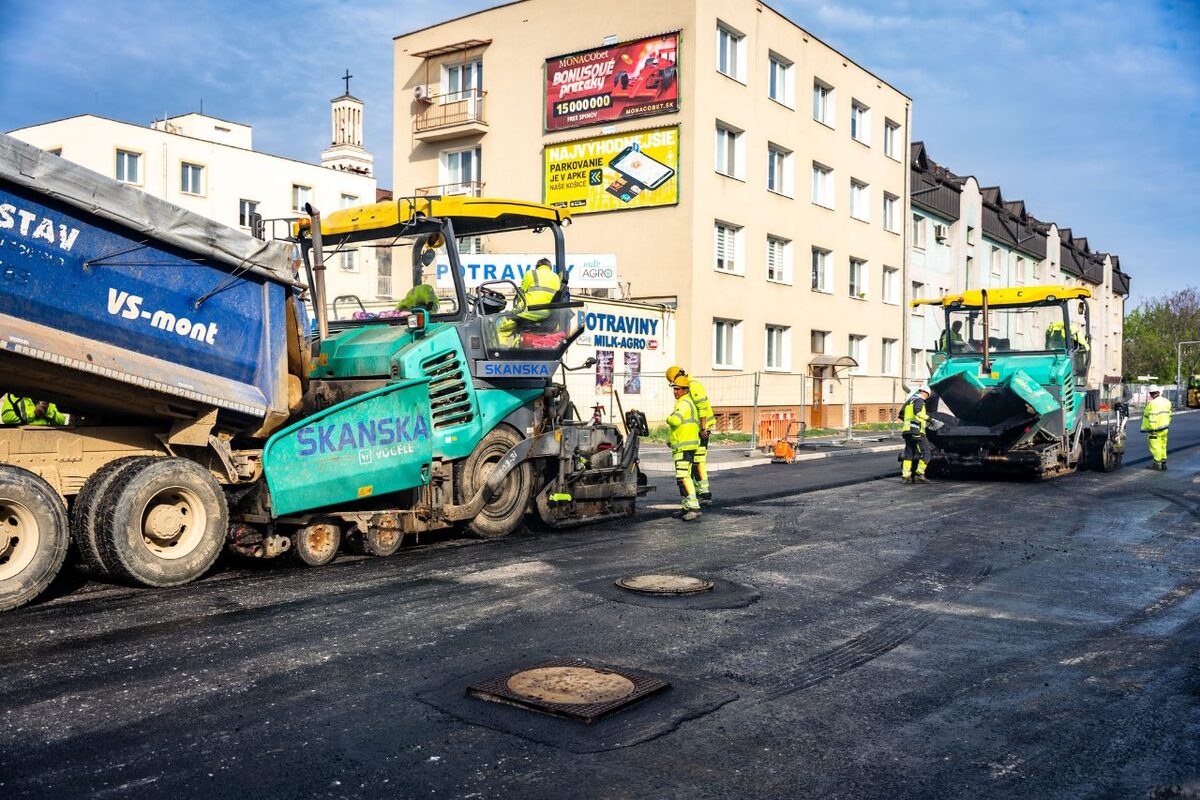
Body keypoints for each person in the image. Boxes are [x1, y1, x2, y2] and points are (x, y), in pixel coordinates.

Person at [665, 365, 715, 505]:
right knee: (692, 464)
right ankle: (697, 494)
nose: (675, 389)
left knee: (697, 462)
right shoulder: (686, 389)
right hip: (695, 430)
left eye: (675, 385)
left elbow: (702, 408)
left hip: (701, 430)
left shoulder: (693, 385)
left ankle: (704, 494)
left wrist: (703, 428)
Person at [497, 257, 562, 347]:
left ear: (537, 266)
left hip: (528, 311)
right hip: (548, 314)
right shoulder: (556, 277)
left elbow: (521, 293)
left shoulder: (530, 273)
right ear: (549, 267)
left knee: (501, 329)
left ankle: (499, 353)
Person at [665, 375, 702, 521]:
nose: (675, 392)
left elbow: (675, 420)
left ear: (686, 390)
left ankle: (693, 508)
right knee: (684, 478)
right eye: (674, 389)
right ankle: (686, 507)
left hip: (684, 448)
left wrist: (668, 418)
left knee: (684, 478)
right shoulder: (689, 402)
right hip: (687, 446)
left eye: (678, 389)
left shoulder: (683, 404)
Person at [900, 386, 931, 484]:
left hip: (907, 432)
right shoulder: (919, 400)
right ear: (924, 392)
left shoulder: (909, 402)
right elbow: (917, 412)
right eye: (927, 395)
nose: (927, 397)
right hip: (917, 431)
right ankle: (920, 473)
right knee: (926, 452)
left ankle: (905, 476)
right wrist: (930, 419)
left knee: (909, 454)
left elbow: (901, 415)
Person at [1141, 385, 1172, 470]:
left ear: (1151, 394)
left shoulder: (1152, 404)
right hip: (1165, 428)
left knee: (1155, 446)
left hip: (1155, 430)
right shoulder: (1167, 401)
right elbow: (1169, 415)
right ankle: (1163, 463)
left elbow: (1152, 417)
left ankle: (1157, 464)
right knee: (1163, 445)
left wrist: (1152, 429)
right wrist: (1167, 424)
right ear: (1158, 392)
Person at [1, 394, 67, 426]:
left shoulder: (47, 399)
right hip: (22, 437)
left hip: (45, 437)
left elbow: (61, 421)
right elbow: (6, 416)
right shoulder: (14, 396)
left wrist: (47, 411)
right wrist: (33, 414)